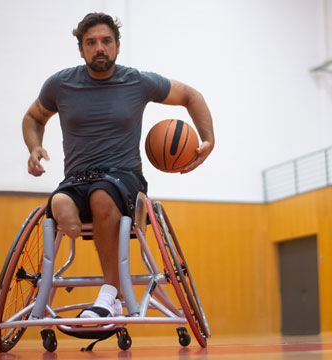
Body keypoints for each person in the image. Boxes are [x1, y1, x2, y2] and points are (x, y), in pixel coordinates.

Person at [22, 12, 214, 320]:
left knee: (101, 195)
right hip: (77, 179)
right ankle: (53, 275)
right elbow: (33, 117)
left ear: (118, 46)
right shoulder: (60, 84)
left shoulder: (137, 81)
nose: (99, 48)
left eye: (106, 41)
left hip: (124, 179)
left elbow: (191, 95)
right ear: (81, 49)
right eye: (91, 42)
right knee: (60, 200)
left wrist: (208, 141)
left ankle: (110, 295)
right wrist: (34, 147)